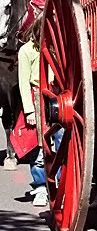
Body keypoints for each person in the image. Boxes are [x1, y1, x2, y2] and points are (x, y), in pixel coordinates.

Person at [18, 16, 62, 206]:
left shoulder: (58, 49)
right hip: (37, 97)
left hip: (58, 97)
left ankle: (62, 182)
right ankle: (41, 186)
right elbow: (23, 82)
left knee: (61, 140)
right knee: (37, 146)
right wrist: (29, 110)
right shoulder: (26, 50)